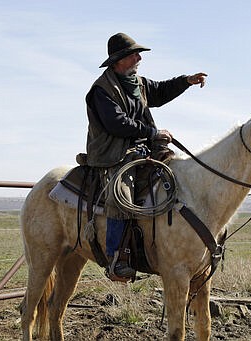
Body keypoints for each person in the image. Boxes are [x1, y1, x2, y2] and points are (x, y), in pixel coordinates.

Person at [85, 32, 207, 279]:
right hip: (114, 152)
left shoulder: (136, 83)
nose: (139, 58)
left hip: (142, 148)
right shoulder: (102, 89)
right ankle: (116, 257)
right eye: (134, 55)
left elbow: (160, 91)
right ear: (119, 60)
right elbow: (116, 123)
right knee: (122, 195)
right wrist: (153, 132)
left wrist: (186, 81)